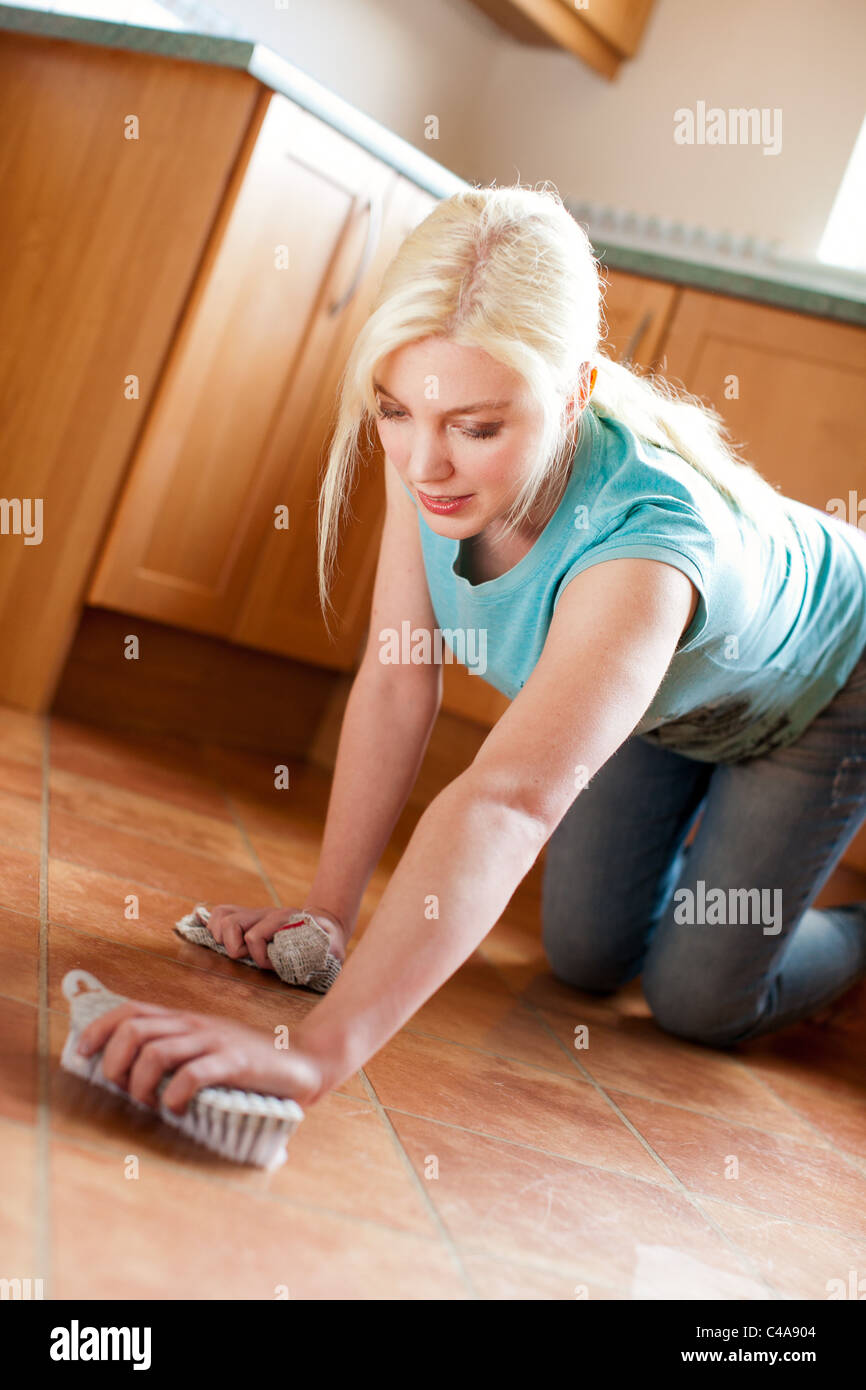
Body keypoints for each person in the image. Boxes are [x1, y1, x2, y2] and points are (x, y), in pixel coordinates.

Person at [78, 183, 866, 1115]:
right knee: (584, 958)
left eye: (477, 428)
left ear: (574, 393)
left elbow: (508, 800)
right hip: (669, 702)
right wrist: (327, 916)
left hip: (821, 687)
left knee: (696, 1001)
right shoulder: (434, 451)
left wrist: (313, 1057)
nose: (423, 465)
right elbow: (398, 677)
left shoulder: (644, 548)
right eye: (396, 411)